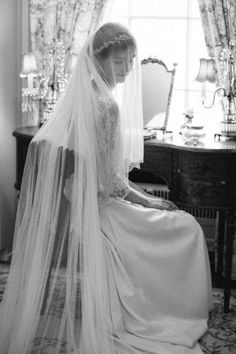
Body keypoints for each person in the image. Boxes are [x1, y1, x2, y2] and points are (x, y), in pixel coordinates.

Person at [0, 22, 212, 354]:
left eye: (130, 61)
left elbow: (89, 176)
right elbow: (111, 183)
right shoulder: (106, 106)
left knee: (177, 227)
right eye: (118, 62)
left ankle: (157, 306)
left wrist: (132, 199)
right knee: (186, 228)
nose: (127, 69)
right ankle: (165, 311)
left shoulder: (84, 99)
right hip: (101, 211)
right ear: (98, 60)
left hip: (87, 208)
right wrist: (150, 202)